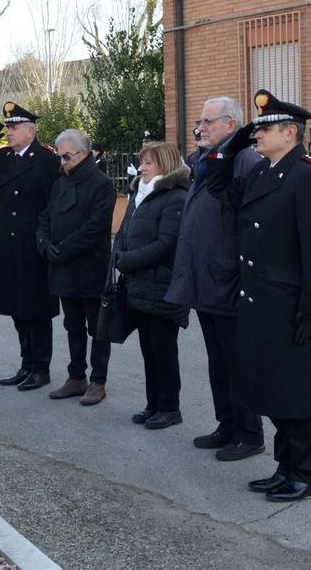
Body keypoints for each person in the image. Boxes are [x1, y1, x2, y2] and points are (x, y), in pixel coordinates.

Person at [205, 89, 311, 502]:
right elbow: (218, 188)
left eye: (265, 129)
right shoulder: (265, 172)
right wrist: (231, 145)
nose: (257, 136)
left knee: (294, 392)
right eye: (255, 130)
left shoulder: (307, 174)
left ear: (290, 132)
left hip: (288, 303)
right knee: (272, 390)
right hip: (259, 299)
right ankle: (286, 467)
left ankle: (307, 472)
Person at [165, 96, 265, 461]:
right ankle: (227, 425)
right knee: (218, 362)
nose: (201, 127)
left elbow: (250, 222)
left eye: (208, 121)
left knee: (237, 362)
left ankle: (249, 434)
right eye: (200, 121)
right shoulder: (210, 159)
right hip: (208, 279)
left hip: (228, 279)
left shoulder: (244, 160)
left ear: (231, 124)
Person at [0, 101, 60, 391]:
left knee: (36, 309)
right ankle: (26, 364)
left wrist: (48, 238)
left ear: (31, 131)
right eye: (7, 128)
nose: (9, 132)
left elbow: (53, 204)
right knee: (16, 308)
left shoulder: (45, 160)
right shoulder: (3, 157)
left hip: (32, 244)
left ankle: (41, 368)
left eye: (14, 127)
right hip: (7, 242)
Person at [37, 129, 116, 406]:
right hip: (63, 269)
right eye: (60, 157)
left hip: (90, 269)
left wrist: (62, 250)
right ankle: (76, 377)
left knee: (98, 328)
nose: (62, 162)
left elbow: (95, 228)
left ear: (83, 154)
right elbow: (45, 217)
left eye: (66, 157)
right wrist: (44, 244)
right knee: (72, 325)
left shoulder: (101, 184)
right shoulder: (61, 183)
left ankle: (98, 381)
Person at [115, 142, 190, 430]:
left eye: (148, 163)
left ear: (165, 164)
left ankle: (170, 407)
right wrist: (117, 255)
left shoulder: (175, 197)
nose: (142, 168)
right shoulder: (140, 192)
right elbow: (124, 231)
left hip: (164, 286)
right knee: (148, 349)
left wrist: (127, 261)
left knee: (163, 350)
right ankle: (153, 404)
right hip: (140, 284)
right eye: (142, 162)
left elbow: (167, 244)